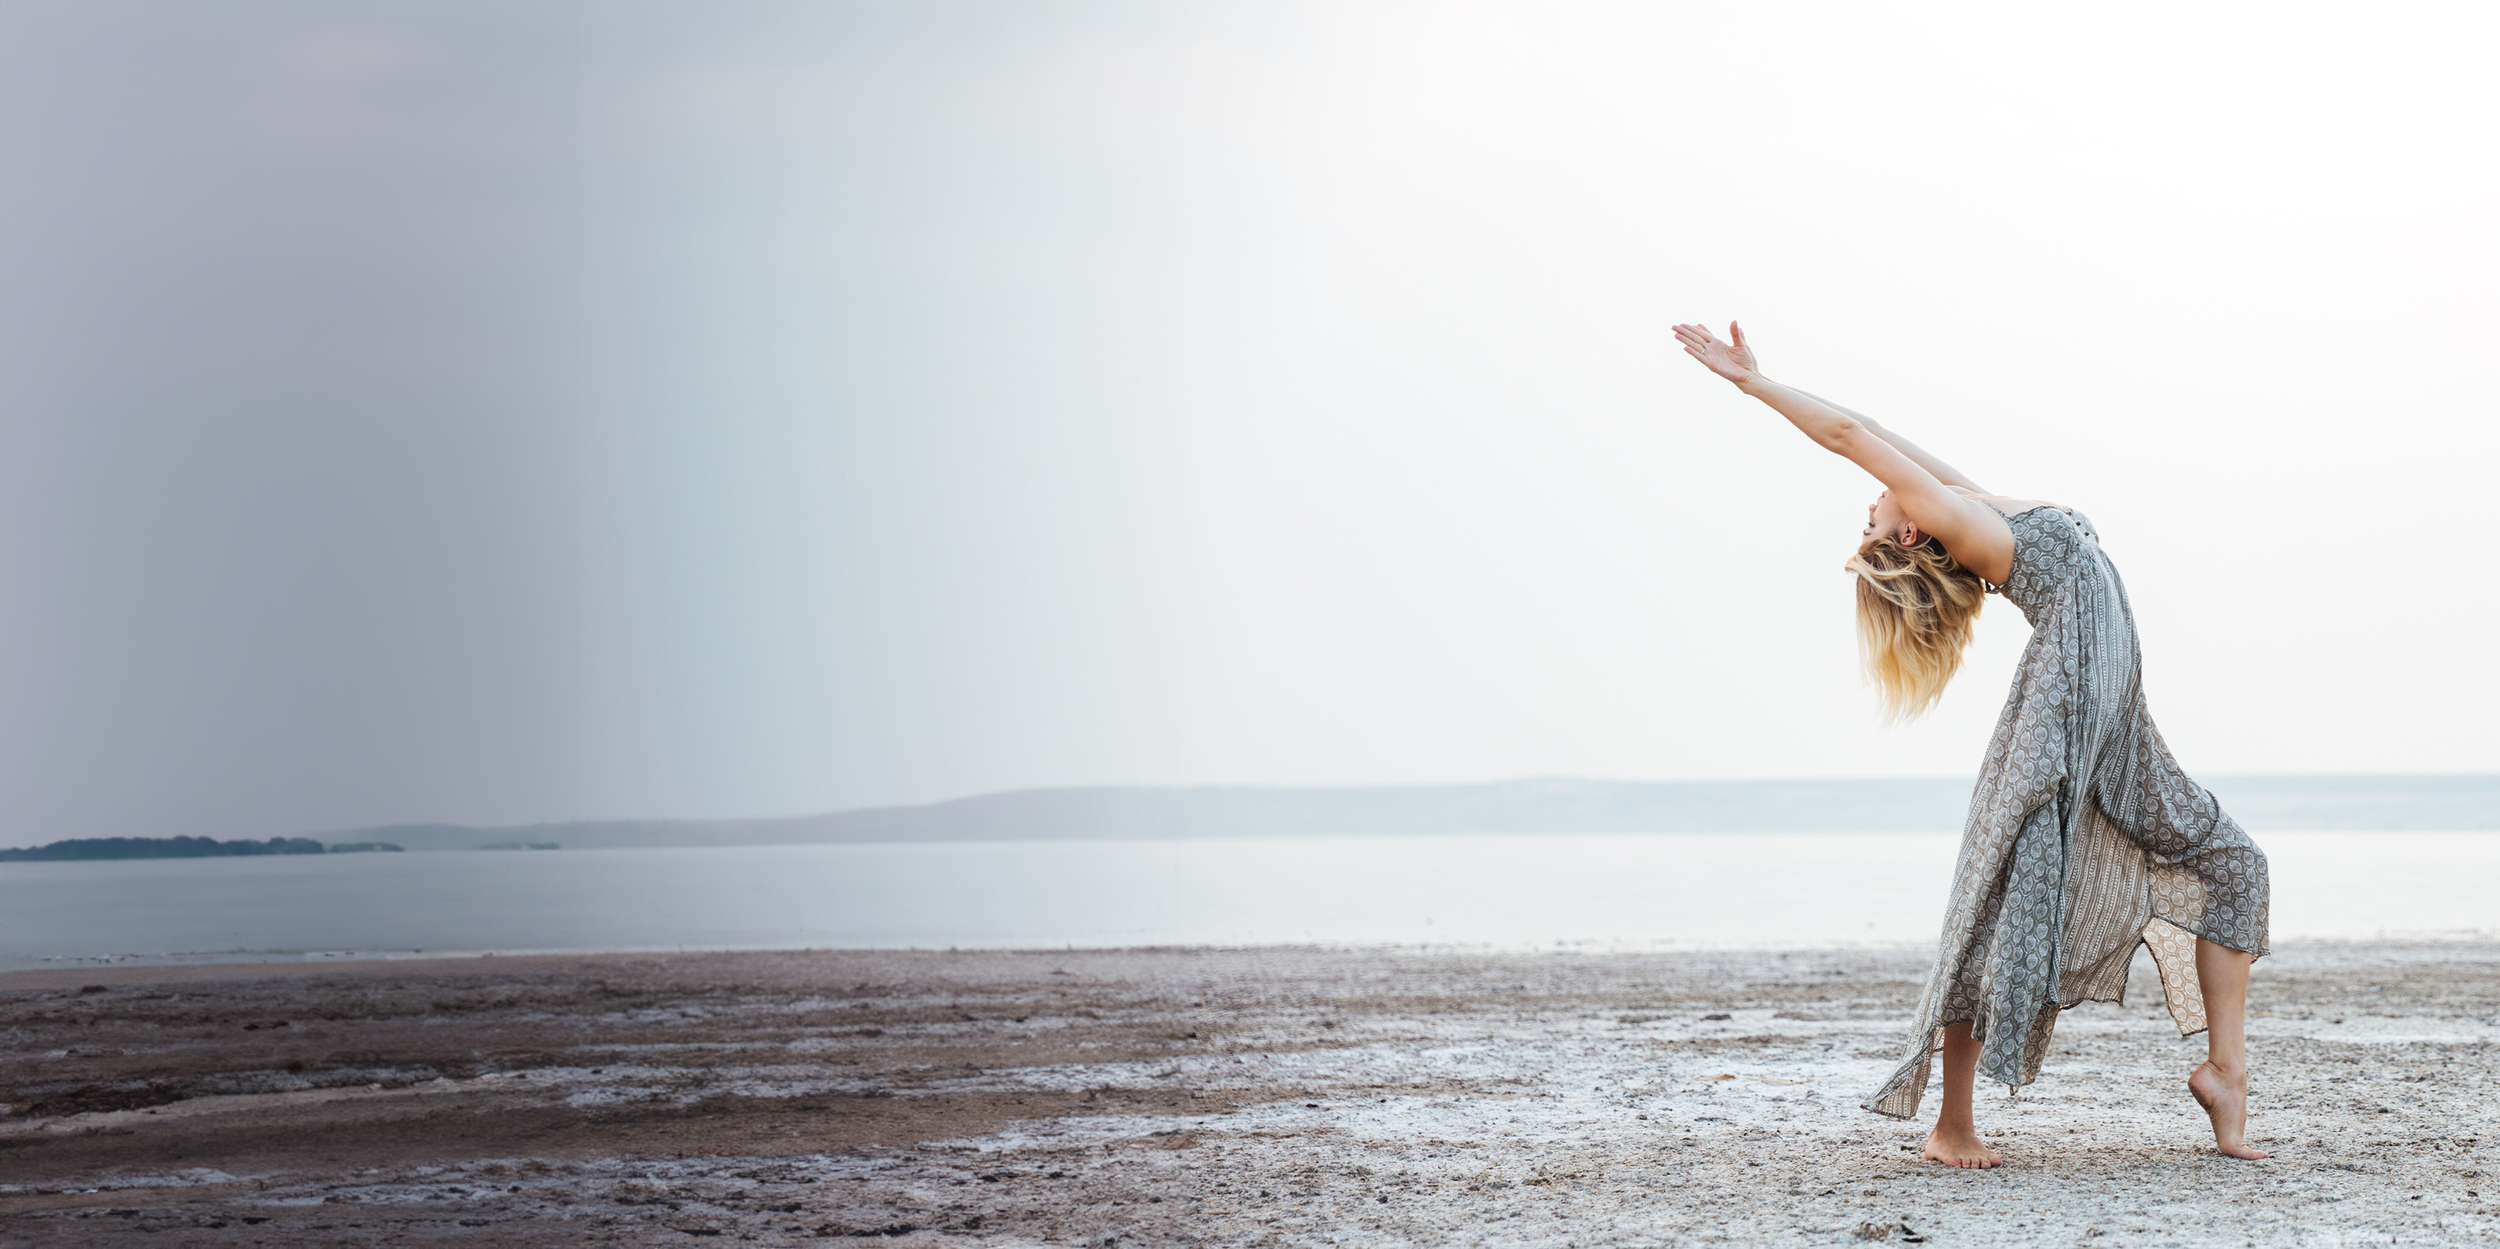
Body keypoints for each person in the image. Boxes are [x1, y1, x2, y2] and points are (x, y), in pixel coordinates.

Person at [1674, 321, 2272, 1165]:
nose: (1874, 498)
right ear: (1916, 531)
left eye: (1875, 505)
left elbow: (1866, 427)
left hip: (2111, 710)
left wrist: (1768, 376)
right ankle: (1951, 1123)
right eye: (1880, 511)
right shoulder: (1970, 529)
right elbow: (1851, 442)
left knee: (2235, 863)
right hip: (2064, 711)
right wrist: (1750, 386)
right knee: (1998, 902)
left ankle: (2226, 1073)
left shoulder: (1971, 505)